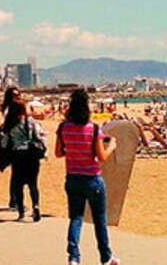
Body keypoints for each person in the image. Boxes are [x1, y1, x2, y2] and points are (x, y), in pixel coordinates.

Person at [55, 89, 120, 265]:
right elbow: (102, 157)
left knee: (76, 218)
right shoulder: (93, 129)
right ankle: (106, 257)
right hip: (92, 178)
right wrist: (112, 146)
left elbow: (58, 153)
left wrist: (73, 150)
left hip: (73, 177)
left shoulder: (63, 128)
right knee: (100, 219)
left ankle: (74, 257)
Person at [2, 100, 45, 221]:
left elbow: (4, 143)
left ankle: (21, 211)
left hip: (18, 155)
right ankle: (36, 206)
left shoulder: (10, 124)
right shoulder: (31, 122)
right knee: (33, 184)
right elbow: (38, 136)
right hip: (32, 155)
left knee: (18, 184)